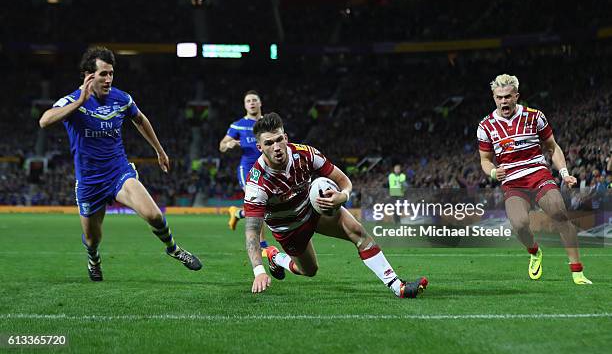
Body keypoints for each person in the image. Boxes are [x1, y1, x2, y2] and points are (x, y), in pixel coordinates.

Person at [39, 47, 202, 281]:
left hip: (118, 173)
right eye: (103, 74)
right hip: (89, 182)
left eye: (111, 74)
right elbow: (44, 121)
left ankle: (174, 249)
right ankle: (93, 259)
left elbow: (140, 119)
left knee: (154, 215)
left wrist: (159, 150)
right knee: (93, 239)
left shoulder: (122, 98)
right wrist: (80, 101)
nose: (108, 79)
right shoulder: (72, 101)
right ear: (88, 75)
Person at [243, 113, 428, 297]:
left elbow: (344, 181)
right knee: (309, 270)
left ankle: (397, 286)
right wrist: (259, 271)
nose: (276, 147)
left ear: (286, 137)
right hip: (289, 229)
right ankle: (276, 257)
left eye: (279, 139)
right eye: (268, 143)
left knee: (358, 232)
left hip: (314, 208)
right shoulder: (256, 184)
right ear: (259, 147)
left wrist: (343, 195)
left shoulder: (306, 154)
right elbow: (252, 230)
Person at [477, 74, 591, 285]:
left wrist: (564, 174)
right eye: (499, 97)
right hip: (512, 182)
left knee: (558, 211)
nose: (504, 101)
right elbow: (485, 160)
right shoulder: (486, 126)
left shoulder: (534, 116)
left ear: (516, 96)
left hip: (538, 174)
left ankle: (577, 271)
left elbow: (553, 147)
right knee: (519, 225)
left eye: (508, 96)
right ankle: (534, 251)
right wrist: (493, 172)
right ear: (493, 98)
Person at [219, 90, 269, 254]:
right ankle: (262, 246)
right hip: (247, 169)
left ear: (260, 103)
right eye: (248, 101)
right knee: (258, 202)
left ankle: (237, 213)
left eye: (255, 100)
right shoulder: (238, 125)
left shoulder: (268, 122)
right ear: (245, 105)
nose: (252, 103)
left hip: (268, 168)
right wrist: (229, 144)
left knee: (267, 206)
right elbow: (222, 145)